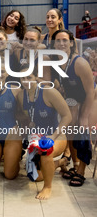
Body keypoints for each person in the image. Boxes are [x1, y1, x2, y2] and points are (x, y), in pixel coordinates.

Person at [51, 29, 97, 186]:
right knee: (70, 129)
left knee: (82, 131)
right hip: (74, 100)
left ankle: (82, 171)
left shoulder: (79, 63)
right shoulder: (57, 61)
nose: (62, 43)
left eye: (65, 40)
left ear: (71, 42)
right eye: (58, 40)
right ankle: (75, 165)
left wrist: (84, 116)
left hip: (91, 98)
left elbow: (90, 92)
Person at [18, 64, 71, 199]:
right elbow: (26, 115)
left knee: (45, 147)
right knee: (36, 177)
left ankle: (48, 187)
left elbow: (67, 116)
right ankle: (60, 163)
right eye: (22, 78)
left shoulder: (48, 92)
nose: (25, 81)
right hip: (35, 137)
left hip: (56, 136)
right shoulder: (21, 95)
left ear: (36, 77)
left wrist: (52, 137)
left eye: (29, 77)